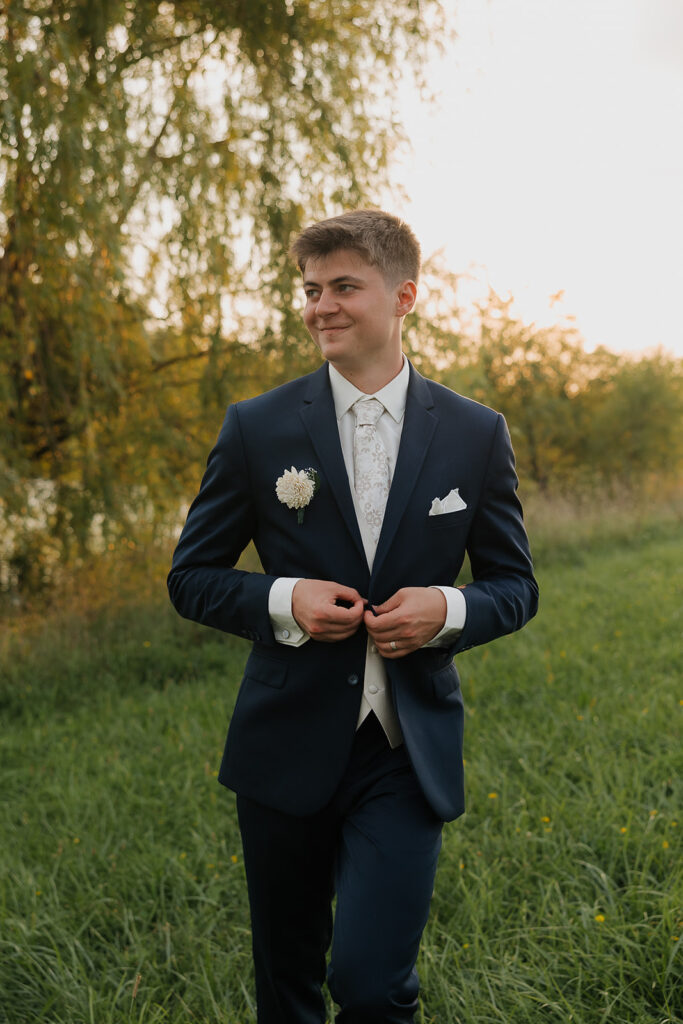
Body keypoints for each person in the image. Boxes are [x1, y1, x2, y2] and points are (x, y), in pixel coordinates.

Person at [167, 209, 538, 1023]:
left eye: (343, 286)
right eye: (309, 290)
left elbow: (514, 586)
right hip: (282, 743)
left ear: (403, 295)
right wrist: (281, 598)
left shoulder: (475, 435)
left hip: (405, 752)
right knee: (287, 984)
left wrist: (446, 608)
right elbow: (190, 577)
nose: (319, 307)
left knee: (372, 985)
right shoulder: (256, 428)